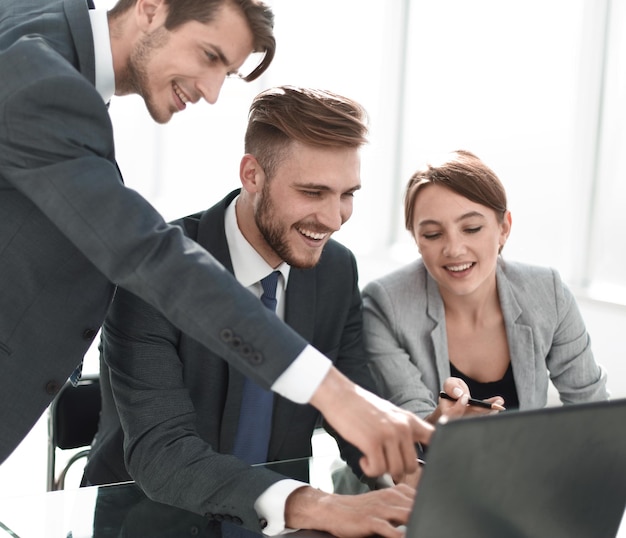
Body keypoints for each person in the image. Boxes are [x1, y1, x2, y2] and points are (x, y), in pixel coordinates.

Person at [0, 0, 432, 474]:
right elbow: (148, 255)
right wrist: (331, 391)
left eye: (225, 73)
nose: (210, 93)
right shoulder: (43, 77)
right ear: (150, 8)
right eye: (209, 56)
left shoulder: (36, 23)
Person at [83, 86, 417, 538]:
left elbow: (353, 409)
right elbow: (163, 455)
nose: (335, 219)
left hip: (285, 530)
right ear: (252, 175)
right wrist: (312, 503)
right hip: (153, 524)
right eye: (313, 191)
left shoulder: (336, 271)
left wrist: (410, 472)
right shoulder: (154, 273)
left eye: (347, 194)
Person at [362, 149, 610, 424]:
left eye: (471, 228)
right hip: (436, 465)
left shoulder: (548, 293)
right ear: (416, 239)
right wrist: (441, 423)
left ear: (504, 228)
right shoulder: (384, 305)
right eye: (432, 234)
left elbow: (592, 407)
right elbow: (410, 421)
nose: (454, 249)